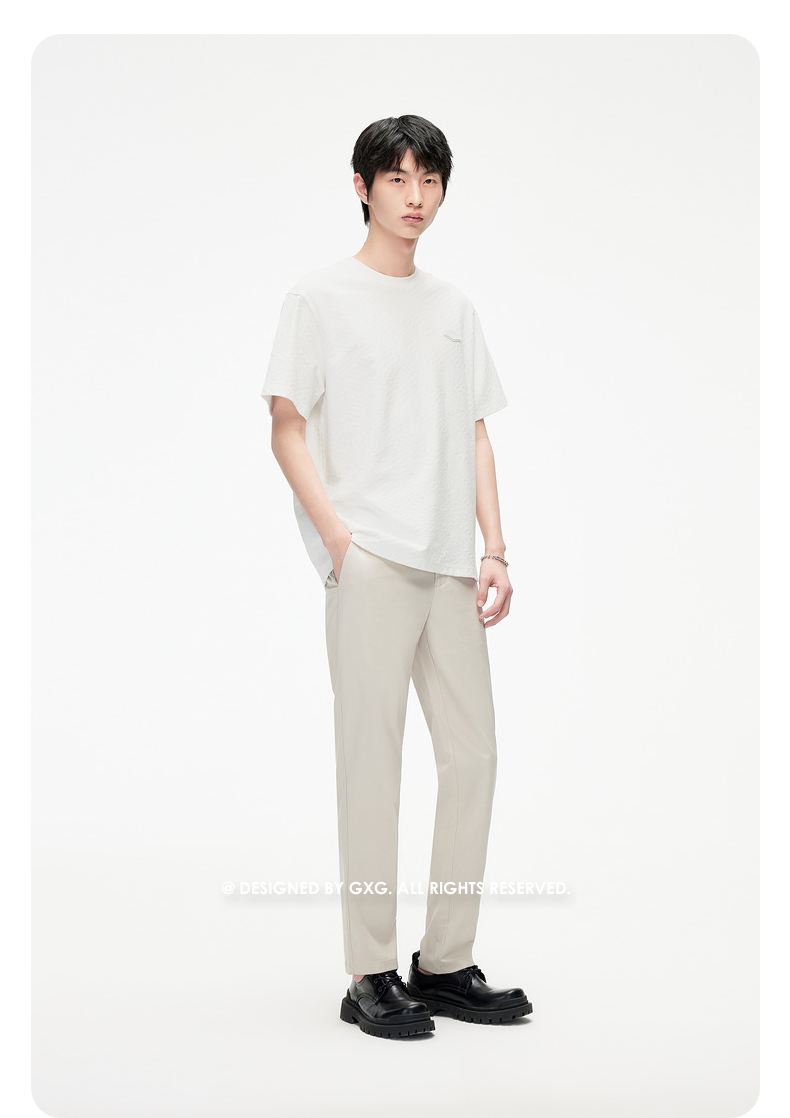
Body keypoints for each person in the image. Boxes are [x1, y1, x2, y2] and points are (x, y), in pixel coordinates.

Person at [261, 115, 532, 1039]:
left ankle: (445, 963)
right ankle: (369, 971)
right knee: (371, 764)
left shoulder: (454, 307)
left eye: (430, 180)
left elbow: (475, 432)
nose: (416, 196)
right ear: (362, 186)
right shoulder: (317, 298)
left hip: (451, 563)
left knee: (474, 758)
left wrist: (494, 548)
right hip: (373, 558)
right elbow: (287, 426)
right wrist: (340, 540)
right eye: (397, 178)